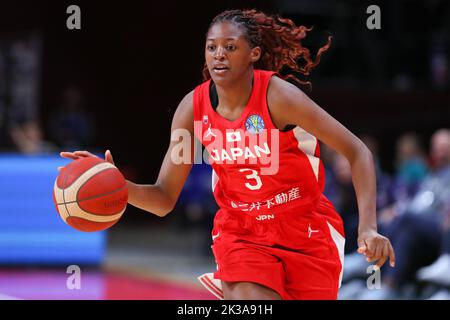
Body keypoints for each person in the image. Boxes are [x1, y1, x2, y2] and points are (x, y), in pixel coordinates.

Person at [59, 9, 395, 300]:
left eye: (230, 47)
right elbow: (163, 199)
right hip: (242, 234)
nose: (219, 55)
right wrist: (117, 184)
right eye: (212, 47)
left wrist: (368, 228)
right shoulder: (193, 108)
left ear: (253, 53)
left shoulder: (280, 97)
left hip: (306, 231)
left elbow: (357, 152)